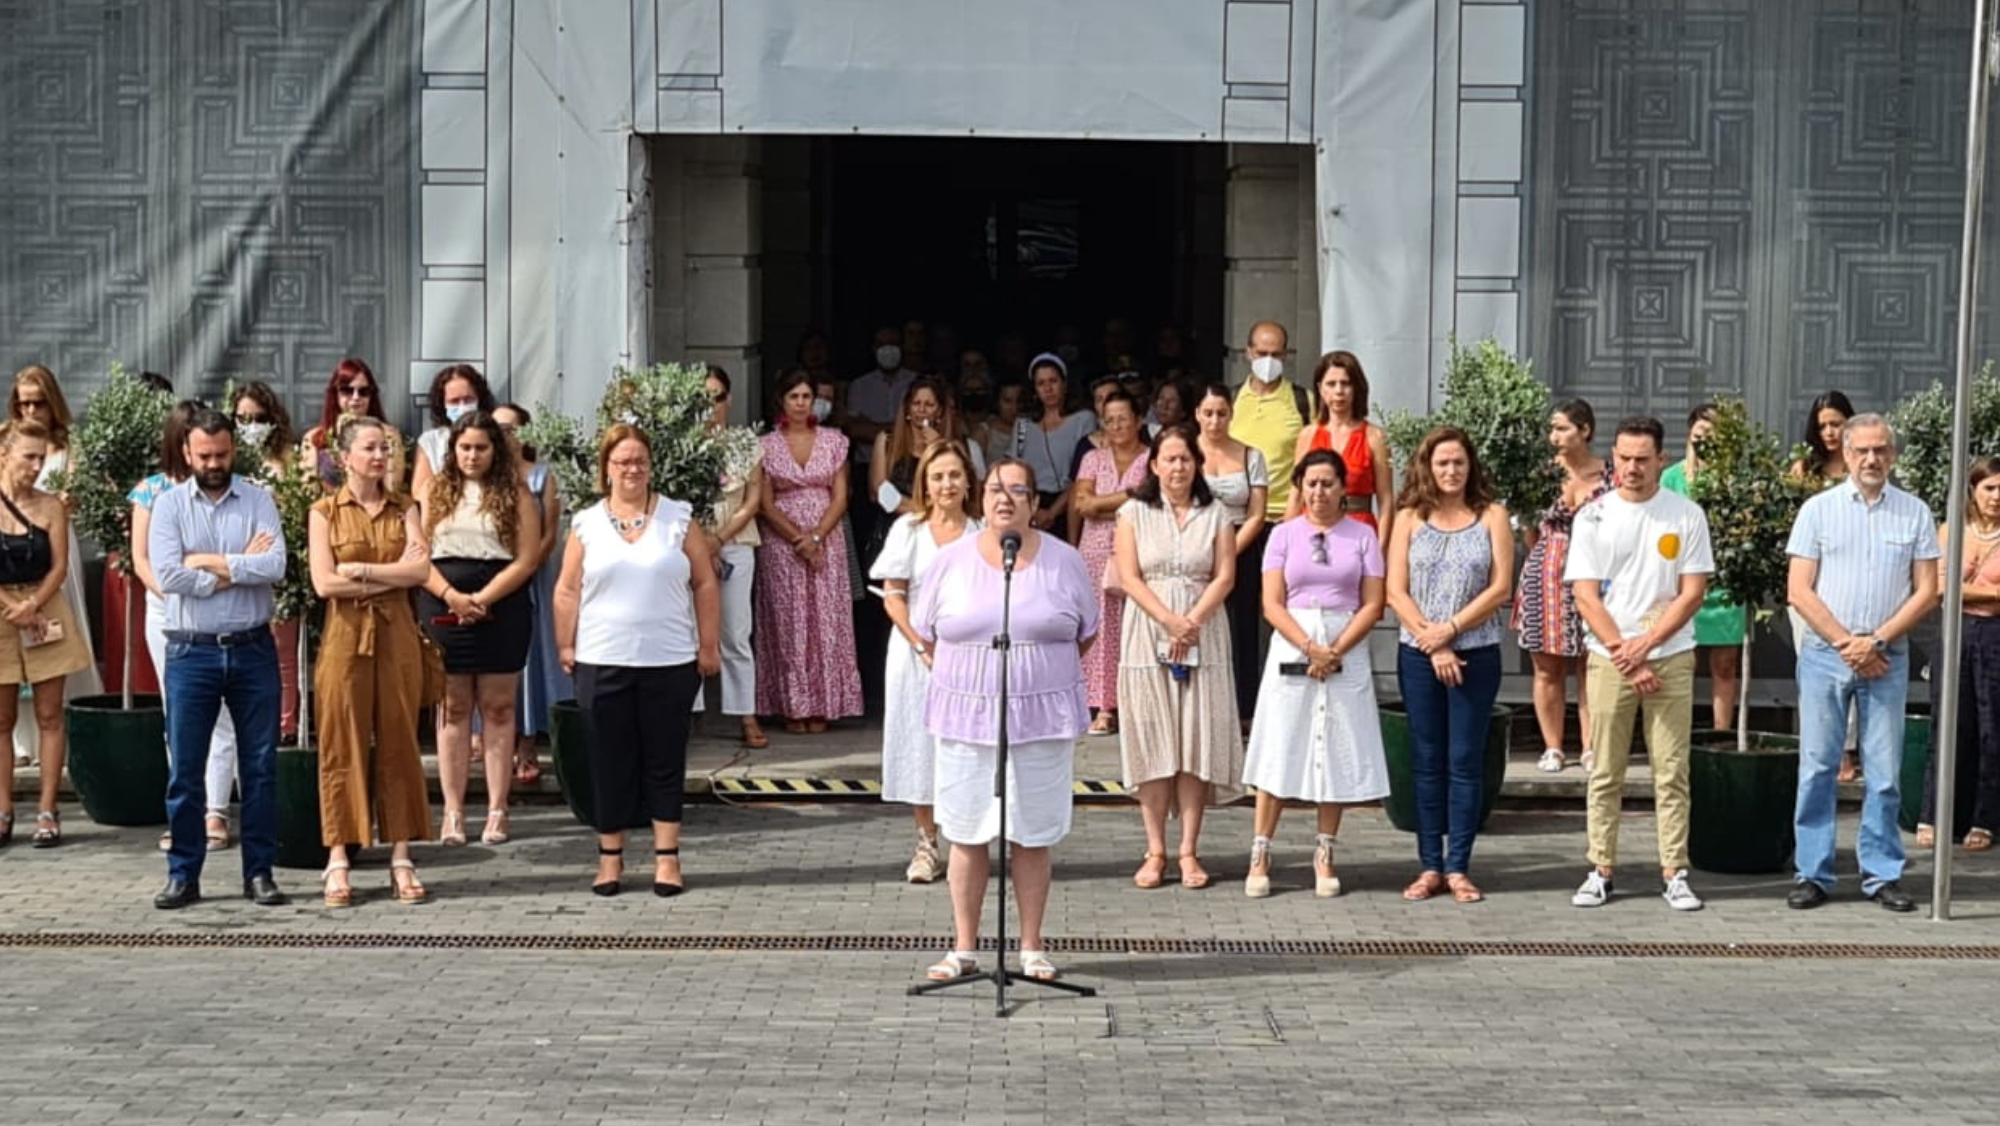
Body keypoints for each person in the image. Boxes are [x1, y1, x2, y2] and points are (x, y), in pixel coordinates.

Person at [911, 458, 1098, 983]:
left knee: (1031, 833)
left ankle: (1032, 947)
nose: (1005, 498)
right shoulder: (950, 561)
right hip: (968, 714)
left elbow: (1086, 630)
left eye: (1019, 490)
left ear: (1036, 504)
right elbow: (927, 631)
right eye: (995, 489)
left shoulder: (1065, 561)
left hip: (1040, 715)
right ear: (981, 499)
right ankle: (965, 948)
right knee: (967, 831)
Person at [553, 424, 722, 897]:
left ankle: (667, 858)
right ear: (606, 467)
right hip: (601, 657)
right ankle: (611, 858)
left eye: (640, 461)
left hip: (668, 658)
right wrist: (565, 644)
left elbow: (705, 583)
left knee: (664, 758)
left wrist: (708, 645)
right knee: (609, 760)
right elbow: (567, 589)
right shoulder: (586, 523)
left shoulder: (678, 518)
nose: (632, 469)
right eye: (623, 461)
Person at [1784, 413, 1938, 913]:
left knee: (1885, 771)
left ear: (1892, 455)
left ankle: (1881, 873)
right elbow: (1799, 589)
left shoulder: (1914, 512)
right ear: (1846, 454)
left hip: (1886, 657)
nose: (1871, 459)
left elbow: (1927, 590)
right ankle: (1813, 872)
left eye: (1880, 450)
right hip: (1826, 654)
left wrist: (1876, 641)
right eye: (1862, 451)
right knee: (1818, 768)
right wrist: (1848, 642)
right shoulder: (1817, 510)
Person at [1564, 416, 1714, 912]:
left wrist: (1647, 643)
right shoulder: (1593, 516)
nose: (1632, 468)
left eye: (1642, 459)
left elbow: (1692, 592)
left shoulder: (1685, 515)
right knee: (1605, 770)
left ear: (1660, 460)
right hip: (1609, 660)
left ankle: (1674, 870)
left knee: (1671, 770)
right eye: (1624, 459)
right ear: (1613, 458)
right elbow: (1585, 594)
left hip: (1669, 656)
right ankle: (1600, 868)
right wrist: (1626, 654)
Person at [147, 411, 287, 909]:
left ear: (234, 450)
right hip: (190, 649)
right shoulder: (167, 506)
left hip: (252, 647)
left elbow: (276, 564)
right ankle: (183, 873)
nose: (213, 464)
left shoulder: (258, 498)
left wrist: (204, 562)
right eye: (204, 456)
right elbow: (168, 576)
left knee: (260, 767)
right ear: (187, 453)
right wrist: (231, 571)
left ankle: (260, 872)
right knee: (185, 769)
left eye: (222, 455)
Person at [1241, 449, 1389, 899]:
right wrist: (1309, 647)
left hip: (1344, 644)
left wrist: (1336, 649)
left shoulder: (1362, 537)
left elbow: (1373, 602)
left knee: (1336, 746)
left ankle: (1325, 850)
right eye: (1311, 483)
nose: (1319, 492)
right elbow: (1271, 602)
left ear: (1344, 488)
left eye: (1328, 483)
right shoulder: (1283, 535)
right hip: (1295, 642)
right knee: (1281, 743)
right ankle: (1261, 848)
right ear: (1299, 487)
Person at [308, 417, 434, 907]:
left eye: (385, 448)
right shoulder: (324, 511)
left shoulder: (406, 507)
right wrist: (391, 575)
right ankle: (338, 855)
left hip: (397, 634)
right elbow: (324, 584)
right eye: (369, 448)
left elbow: (420, 570)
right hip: (344, 637)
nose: (379, 456)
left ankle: (401, 855)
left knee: (401, 737)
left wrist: (361, 570)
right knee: (342, 741)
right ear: (345, 457)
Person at [1385, 427, 1514, 903]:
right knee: (1426, 760)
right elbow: (1394, 589)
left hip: (1475, 652)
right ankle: (1429, 866)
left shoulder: (1492, 516)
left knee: (1464, 760)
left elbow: (1500, 587)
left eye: (1458, 462)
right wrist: (1433, 641)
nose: (1451, 471)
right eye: (1442, 463)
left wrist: (1452, 629)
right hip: (1419, 653)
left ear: (1470, 465)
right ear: (1427, 466)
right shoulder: (1408, 518)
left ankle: (1459, 865)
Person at [1113, 424, 1242, 890]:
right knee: (1153, 739)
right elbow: (1128, 576)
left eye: (1185, 459)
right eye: (1169, 459)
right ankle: (1155, 850)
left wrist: (1191, 621)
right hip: (1147, 630)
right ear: (1154, 465)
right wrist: (1169, 620)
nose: (1178, 467)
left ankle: (1188, 849)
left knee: (1193, 738)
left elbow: (1225, 576)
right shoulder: (1133, 512)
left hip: (1203, 630)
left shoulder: (1217, 513)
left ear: (1197, 464)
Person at [419, 411, 541, 847]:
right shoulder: (433, 490)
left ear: (495, 449)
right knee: (452, 709)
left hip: (501, 607)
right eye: (464, 447)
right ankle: (452, 811)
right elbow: (418, 555)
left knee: (499, 708)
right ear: (452, 450)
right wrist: (451, 595)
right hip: (443, 606)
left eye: (481, 447)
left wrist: (484, 598)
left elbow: (527, 559)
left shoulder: (517, 494)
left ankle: (497, 808)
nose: (472, 456)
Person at [871, 441, 981, 883]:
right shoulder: (909, 531)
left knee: (966, 747)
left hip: (969, 656)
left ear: (968, 481)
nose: (946, 484)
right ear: (925, 484)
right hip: (916, 654)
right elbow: (894, 596)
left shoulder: (982, 531)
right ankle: (926, 842)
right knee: (919, 746)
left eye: (954, 475)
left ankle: (965, 842)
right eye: (937, 477)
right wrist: (921, 644)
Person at [132, 402, 238, 853]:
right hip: (168, 613)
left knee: (223, 717)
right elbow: (145, 561)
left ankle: (216, 810)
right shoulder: (151, 491)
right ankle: (186, 814)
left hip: (225, 608)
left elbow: (250, 558)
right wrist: (179, 590)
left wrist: (205, 577)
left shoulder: (235, 492)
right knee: (181, 715)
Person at [0, 421, 93, 849]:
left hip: (43, 607)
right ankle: (3, 810)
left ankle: (47, 809)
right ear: (5, 454)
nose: (36, 466)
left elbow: (58, 566)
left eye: (41, 457)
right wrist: (11, 608)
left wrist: (32, 605)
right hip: (2, 608)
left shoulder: (51, 505)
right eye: (28, 457)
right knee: (1, 720)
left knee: (50, 714)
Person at [754, 372, 864, 732]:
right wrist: (798, 538)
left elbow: (842, 495)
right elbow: (765, 503)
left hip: (826, 539)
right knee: (789, 622)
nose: (801, 402)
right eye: (794, 396)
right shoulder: (765, 445)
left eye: (807, 396)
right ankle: (791, 706)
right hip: (781, 543)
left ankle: (824, 704)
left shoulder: (834, 441)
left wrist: (816, 538)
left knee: (826, 620)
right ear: (781, 401)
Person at [1513, 399, 1612, 774]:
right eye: (1552, 429)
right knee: (1547, 666)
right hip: (1547, 570)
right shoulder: (1539, 474)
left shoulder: (1610, 474)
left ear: (1584, 430)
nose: (1554, 436)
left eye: (1562, 428)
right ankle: (1552, 746)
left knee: (1591, 663)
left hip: (1597, 573)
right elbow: (1529, 530)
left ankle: (1590, 746)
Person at [10, 366, 103, 749]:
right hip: (11, 555)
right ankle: (21, 742)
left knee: (56, 634)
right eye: (23, 402)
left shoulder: (68, 450)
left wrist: (67, 503)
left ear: (52, 404)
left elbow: (80, 499)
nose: (31, 411)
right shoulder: (6, 442)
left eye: (38, 402)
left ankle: (61, 727)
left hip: (55, 555)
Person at [1227, 320, 1309, 733]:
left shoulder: (1302, 401)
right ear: (1247, 353)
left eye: (1277, 353)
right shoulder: (1230, 401)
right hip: (1240, 522)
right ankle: (1244, 708)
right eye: (1262, 353)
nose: (1269, 361)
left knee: (1285, 614)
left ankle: (1285, 704)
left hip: (1288, 521)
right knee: (1240, 617)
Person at [1919, 456, 2000, 851]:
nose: (1996, 497)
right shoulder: (1951, 531)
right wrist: (1992, 593)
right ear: (1973, 490)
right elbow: (1936, 588)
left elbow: (1952, 587)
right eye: (1989, 488)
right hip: (1954, 632)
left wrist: (1961, 589)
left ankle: (1984, 817)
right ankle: (1934, 813)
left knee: (1991, 728)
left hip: (1995, 636)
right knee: (1949, 723)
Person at [1788, 390, 1863, 782]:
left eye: (1837, 423)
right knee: (1815, 673)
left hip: (1855, 587)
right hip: (1810, 590)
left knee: (1851, 668)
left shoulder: (1862, 467)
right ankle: (1818, 749)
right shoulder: (1804, 470)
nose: (1831, 432)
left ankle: (1846, 752)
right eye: (1823, 426)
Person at [492, 403, 569, 780]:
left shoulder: (541, 478)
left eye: (510, 428)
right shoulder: (484, 478)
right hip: (490, 580)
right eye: (497, 428)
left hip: (532, 578)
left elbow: (550, 533)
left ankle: (528, 744)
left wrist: (524, 568)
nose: (504, 435)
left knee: (533, 659)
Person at [1660, 404, 1745, 731]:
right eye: (1699, 436)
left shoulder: (1736, 478)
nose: (1704, 442)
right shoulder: (1672, 477)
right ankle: (1676, 733)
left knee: (1724, 663)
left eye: (1712, 437)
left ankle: (1722, 733)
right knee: (1679, 660)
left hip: (1725, 581)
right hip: (1681, 581)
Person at [1074, 389, 1149, 736]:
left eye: (1123, 418)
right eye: (1110, 419)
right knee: (1099, 628)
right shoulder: (1093, 458)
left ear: (1139, 420)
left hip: (1136, 551)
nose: (1117, 425)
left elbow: (1151, 497)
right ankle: (1102, 706)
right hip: (1093, 552)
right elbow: (1082, 505)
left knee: (1134, 626)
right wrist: (1128, 497)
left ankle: (1134, 703)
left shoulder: (1152, 459)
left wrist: (1102, 503)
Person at [231, 382, 302, 745]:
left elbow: (295, 510)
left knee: (282, 651)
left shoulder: (287, 461)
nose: (250, 426)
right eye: (242, 419)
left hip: (278, 567)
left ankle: (285, 726)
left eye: (258, 418)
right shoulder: (224, 463)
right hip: (233, 568)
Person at [1195, 383, 1269, 728]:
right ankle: (1202, 705)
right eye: (1208, 413)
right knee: (1199, 623)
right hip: (1195, 547)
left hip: (1241, 544)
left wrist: (1229, 552)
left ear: (1231, 415)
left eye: (1221, 413)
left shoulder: (1251, 455)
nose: (1214, 420)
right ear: (1197, 414)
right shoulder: (1186, 453)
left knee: (1243, 629)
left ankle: (1244, 710)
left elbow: (1257, 513)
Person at [700, 372, 765, 749]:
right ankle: (687, 714)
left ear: (730, 398)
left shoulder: (745, 444)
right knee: (688, 631)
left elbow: (753, 501)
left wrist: (718, 540)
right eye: (705, 399)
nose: (712, 407)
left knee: (736, 631)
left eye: (718, 397)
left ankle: (745, 713)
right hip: (690, 547)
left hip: (736, 541)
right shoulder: (682, 445)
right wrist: (702, 546)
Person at [1287, 351, 1395, 544]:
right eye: (1331, 384)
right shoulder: (1308, 435)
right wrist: (1286, 544)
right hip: (1312, 530)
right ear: (1320, 389)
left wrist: (1381, 550)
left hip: (1359, 531)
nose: (1339, 391)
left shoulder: (1375, 437)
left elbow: (1386, 501)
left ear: (1356, 388)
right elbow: (1296, 496)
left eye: (1346, 383)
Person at [1012, 353, 1095, 536]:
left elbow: (1084, 473)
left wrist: (1052, 512)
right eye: (1041, 384)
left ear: (1065, 384)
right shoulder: (1023, 425)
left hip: (1071, 507)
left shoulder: (1083, 419)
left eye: (1053, 381)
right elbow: (1015, 471)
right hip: (1031, 508)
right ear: (1034, 390)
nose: (1048, 389)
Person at [301, 358, 405, 494]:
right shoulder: (314, 438)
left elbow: (392, 488)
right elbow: (308, 491)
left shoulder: (388, 435)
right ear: (335, 394)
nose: (355, 397)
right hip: (328, 511)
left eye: (364, 391)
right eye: (347, 390)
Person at [410, 364, 498, 503]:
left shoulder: (496, 435)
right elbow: (419, 494)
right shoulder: (431, 441)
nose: (462, 406)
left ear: (480, 399)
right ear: (442, 404)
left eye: (468, 399)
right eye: (454, 401)